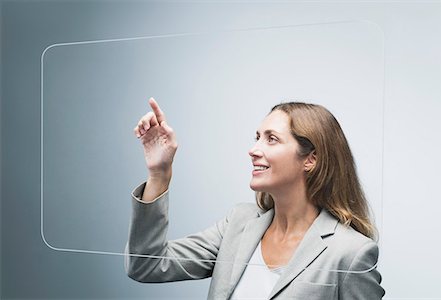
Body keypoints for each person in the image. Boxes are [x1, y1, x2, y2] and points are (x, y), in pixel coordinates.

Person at [125, 97, 385, 299]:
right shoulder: (239, 223)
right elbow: (146, 266)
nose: (254, 150)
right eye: (257, 137)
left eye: (271, 139)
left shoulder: (350, 252)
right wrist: (159, 173)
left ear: (311, 159)